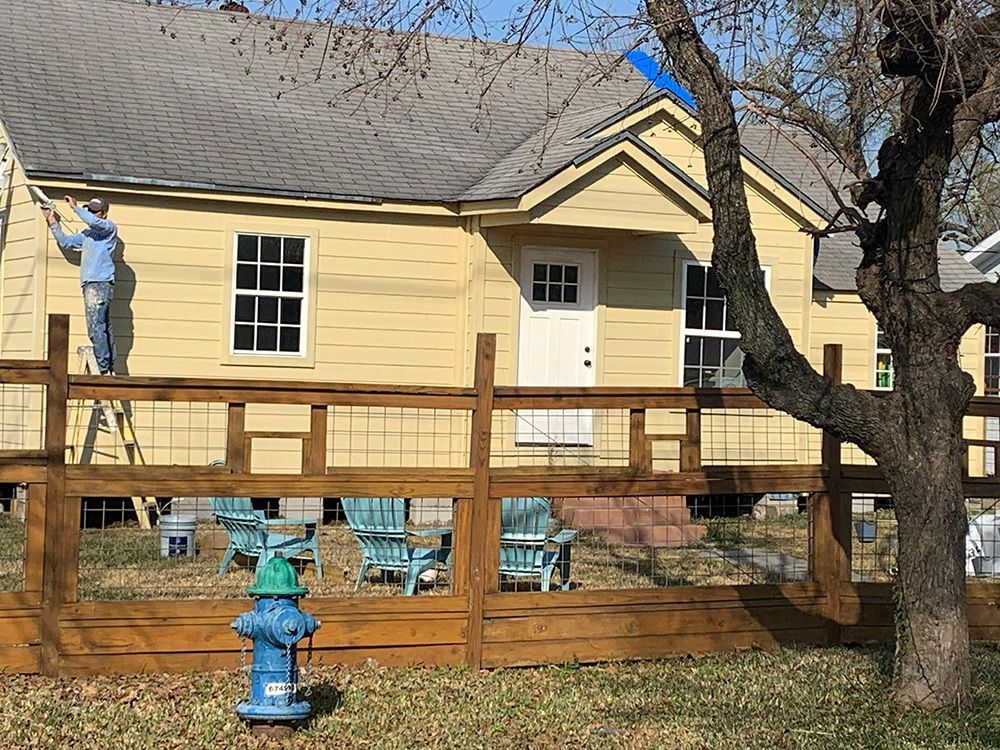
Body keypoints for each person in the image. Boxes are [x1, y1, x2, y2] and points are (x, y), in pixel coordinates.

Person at [41, 196, 118, 374]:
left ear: (104, 214)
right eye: (89, 210)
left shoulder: (109, 228)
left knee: (96, 326)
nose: (91, 214)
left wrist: (76, 208)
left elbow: (95, 222)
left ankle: (104, 368)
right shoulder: (87, 235)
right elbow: (66, 242)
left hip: (99, 283)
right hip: (91, 284)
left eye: (94, 211)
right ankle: (108, 365)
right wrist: (51, 220)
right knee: (102, 325)